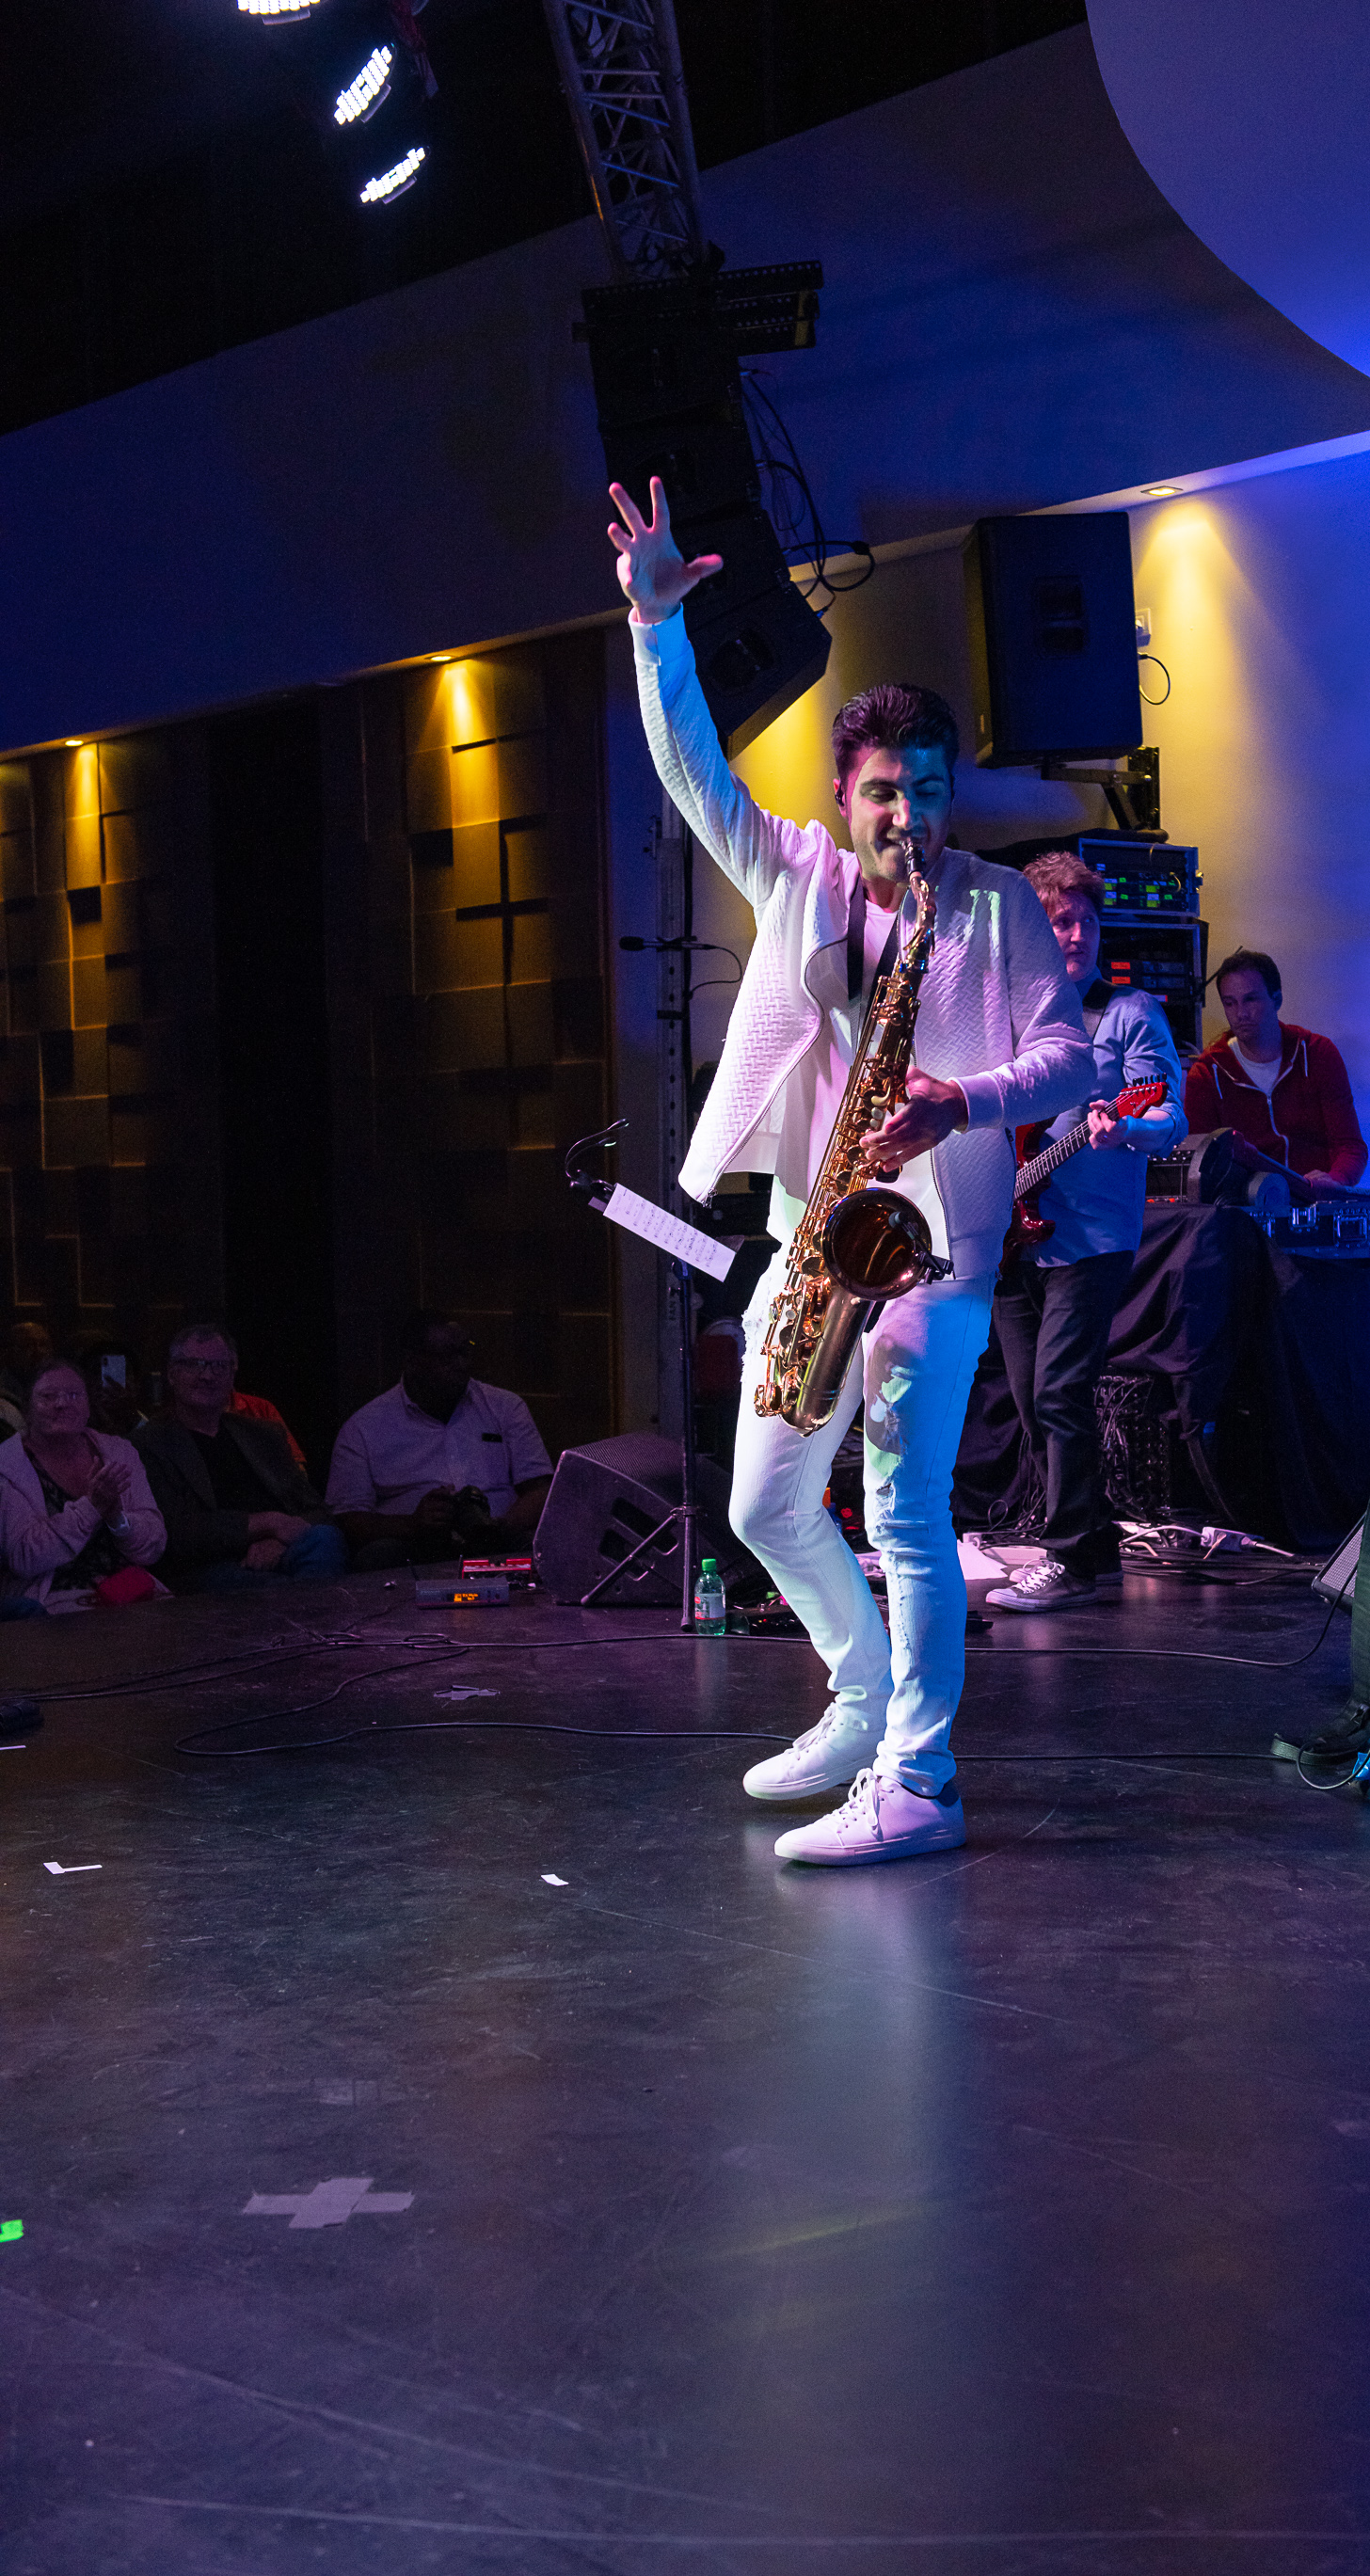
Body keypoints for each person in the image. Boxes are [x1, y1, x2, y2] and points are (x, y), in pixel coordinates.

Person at [608, 473, 1093, 1867]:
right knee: (762, 1499)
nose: (908, 818)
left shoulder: (995, 908)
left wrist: (962, 1100)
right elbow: (694, 777)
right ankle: (860, 1693)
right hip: (819, 1239)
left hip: (934, 1256)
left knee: (905, 1513)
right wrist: (655, 629)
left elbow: (1068, 1057)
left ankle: (920, 1778)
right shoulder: (798, 876)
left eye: (929, 793)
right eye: (885, 793)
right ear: (845, 793)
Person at [985, 853, 1187, 1614]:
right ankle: (1089, 1544)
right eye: (1060, 922)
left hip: (1093, 1234)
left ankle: (1068, 1558)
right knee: (1032, 1401)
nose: (1076, 935)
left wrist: (1123, 1129)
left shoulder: (1127, 1013)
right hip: (1011, 1230)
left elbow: (1168, 1117)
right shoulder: (1008, 1015)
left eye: (1087, 922)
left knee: (1059, 1391)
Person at [326, 1311, 553, 1566]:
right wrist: (413, 1523)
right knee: (378, 1557)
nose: (461, 1364)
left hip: (499, 1536)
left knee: (548, 1548)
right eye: (447, 1356)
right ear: (412, 1361)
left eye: (465, 1352)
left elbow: (541, 1489)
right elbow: (350, 1519)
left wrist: (499, 1526)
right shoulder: (364, 1427)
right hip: (414, 1545)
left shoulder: (504, 1407)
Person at [135, 1325, 348, 1590]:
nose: (207, 1375)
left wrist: (278, 1540)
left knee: (325, 1537)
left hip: (281, 1549)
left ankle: (310, 1613)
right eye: (193, 1365)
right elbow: (176, 1531)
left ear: (232, 1374)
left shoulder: (264, 1435)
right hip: (210, 1565)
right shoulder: (149, 1443)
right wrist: (267, 1523)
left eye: (218, 1365)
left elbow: (319, 1511)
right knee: (269, 1587)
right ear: (172, 1373)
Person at [1183, 949, 1367, 1187]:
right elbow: (1202, 1165)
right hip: (1246, 1204)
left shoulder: (1317, 1053)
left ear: (1276, 1000)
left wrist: (1335, 1181)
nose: (1240, 1013)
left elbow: (1350, 1146)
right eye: (1230, 1003)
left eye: (1251, 999)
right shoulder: (1207, 1074)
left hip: (1317, 1197)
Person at [0, 1354, 167, 1610]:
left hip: (131, 1589)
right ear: (27, 1410)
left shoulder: (118, 1452)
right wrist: (91, 1508)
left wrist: (117, 1520)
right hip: (54, 1599)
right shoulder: (8, 1464)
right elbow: (25, 1558)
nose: (61, 1404)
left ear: (89, 1407)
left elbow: (153, 1548)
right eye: (48, 1396)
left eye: (74, 1395)